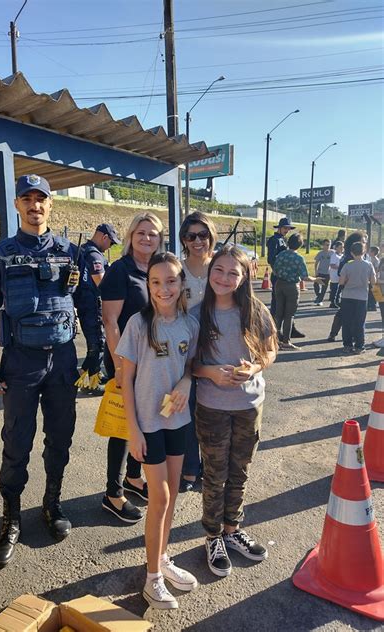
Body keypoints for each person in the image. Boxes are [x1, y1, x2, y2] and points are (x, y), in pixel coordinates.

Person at [0, 174, 103, 566]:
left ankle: (52, 504)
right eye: (27, 199)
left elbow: (88, 304)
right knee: (17, 442)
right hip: (20, 363)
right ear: (17, 206)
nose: (35, 206)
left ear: (50, 205)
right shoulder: (1, 253)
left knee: (60, 437)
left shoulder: (69, 252)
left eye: (41, 199)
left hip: (62, 360)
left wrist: (94, 351)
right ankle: (11, 517)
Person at [117, 252, 200, 609]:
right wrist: (132, 431)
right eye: (155, 282)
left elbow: (191, 364)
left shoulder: (189, 324)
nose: (163, 289)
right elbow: (126, 379)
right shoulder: (138, 323)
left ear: (182, 284)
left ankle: (163, 559)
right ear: (148, 285)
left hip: (177, 422)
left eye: (170, 281)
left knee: (174, 493)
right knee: (160, 498)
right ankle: (152, 579)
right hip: (148, 425)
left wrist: (184, 382)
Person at [192, 245, 277, 578]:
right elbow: (188, 364)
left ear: (244, 278)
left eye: (233, 273)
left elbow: (270, 352)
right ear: (210, 271)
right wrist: (210, 372)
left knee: (239, 472)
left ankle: (232, 530)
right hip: (211, 407)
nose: (224, 278)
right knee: (214, 475)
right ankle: (212, 536)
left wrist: (254, 368)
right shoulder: (197, 313)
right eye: (219, 270)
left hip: (249, 406)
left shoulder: (255, 310)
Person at [100, 211, 164, 523]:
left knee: (147, 420)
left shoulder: (160, 269)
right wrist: (119, 366)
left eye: (153, 233)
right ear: (130, 236)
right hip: (127, 361)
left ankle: (134, 478)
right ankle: (113, 493)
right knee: (124, 427)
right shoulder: (119, 270)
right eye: (141, 232)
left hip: (154, 361)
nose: (147, 238)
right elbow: (110, 321)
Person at [178, 211, 218, 492]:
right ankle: (191, 467)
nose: (197, 241)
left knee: (214, 410)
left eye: (203, 235)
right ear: (184, 239)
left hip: (219, 348)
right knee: (189, 410)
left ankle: (213, 467)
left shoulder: (221, 266)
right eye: (191, 236)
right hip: (186, 350)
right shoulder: (177, 270)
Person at [78, 223, 122, 393]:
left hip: (85, 303)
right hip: (91, 305)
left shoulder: (83, 249)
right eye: (111, 243)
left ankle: (93, 374)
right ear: (104, 237)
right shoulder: (94, 255)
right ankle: (89, 383)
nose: (110, 247)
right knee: (97, 344)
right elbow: (101, 283)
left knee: (95, 343)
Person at [273, 233, 321, 350]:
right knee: (289, 315)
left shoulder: (281, 255)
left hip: (279, 284)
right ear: (300, 245)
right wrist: (316, 279)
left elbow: (275, 270)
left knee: (278, 314)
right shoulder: (299, 258)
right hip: (291, 286)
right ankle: (286, 342)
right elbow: (305, 277)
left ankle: (274, 340)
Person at [267, 217, 304, 338]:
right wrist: (278, 271)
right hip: (279, 275)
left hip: (284, 275)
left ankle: (290, 329)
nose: (287, 230)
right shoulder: (274, 240)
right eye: (285, 228)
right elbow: (271, 259)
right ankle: (274, 331)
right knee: (277, 305)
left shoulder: (283, 239)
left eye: (288, 228)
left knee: (289, 306)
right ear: (279, 227)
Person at [327, 231, 366, 342]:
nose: (365, 244)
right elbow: (341, 273)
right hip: (350, 291)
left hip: (349, 291)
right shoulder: (350, 258)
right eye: (363, 241)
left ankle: (333, 334)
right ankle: (345, 336)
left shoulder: (347, 256)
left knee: (343, 313)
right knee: (348, 314)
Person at [339, 241, 375, 354]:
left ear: (351, 253)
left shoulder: (347, 265)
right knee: (360, 322)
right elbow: (373, 281)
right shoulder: (368, 265)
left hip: (348, 296)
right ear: (364, 251)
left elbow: (341, 281)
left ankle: (347, 345)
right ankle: (359, 346)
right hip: (362, 296)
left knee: (347, 321)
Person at [313, 239, 332, 306]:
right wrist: (316, 271)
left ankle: (320, 300)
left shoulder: (332, 253)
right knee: (316, 285)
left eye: (329, 245)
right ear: (323, 245)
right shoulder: (320, 253)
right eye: (326, 245)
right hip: (320, 272)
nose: (328, 246)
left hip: (328, 273)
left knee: (324, 287)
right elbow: (316, 263)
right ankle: (319, 296)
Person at [328, 240, 344, 308]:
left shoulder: (342, 255)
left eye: (342, 247)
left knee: (339, 289)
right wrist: (340, 267)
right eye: (340, 247)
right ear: (336, 248)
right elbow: (332, 265)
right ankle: (332, 302)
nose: (342, 249)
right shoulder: (334, 255)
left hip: (340, 275)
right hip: (334, 275)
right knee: (334, 289)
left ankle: (337, 301)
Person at [367, 246, 380, 312]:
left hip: (374, 278)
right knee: (369, 292)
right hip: (370, 278)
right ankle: (369, 305)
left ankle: (373, 305)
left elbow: (377, 269)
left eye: (370, 251)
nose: (368, 252)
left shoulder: (376, 260)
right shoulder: (370, 259)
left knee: (373, 292)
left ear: (373, 252)